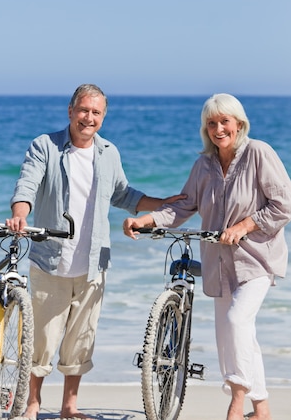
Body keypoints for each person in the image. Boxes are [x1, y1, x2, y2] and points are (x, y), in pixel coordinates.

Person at [6, 83, 185, 420]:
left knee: (81, 340)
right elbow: (27, 183)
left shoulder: (108, 152)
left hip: (93, 263)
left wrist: (161, 204)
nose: (89, 118)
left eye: (96, 112)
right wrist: (20, 214)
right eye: (83, 110)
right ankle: (32, 404)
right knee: (41, 340)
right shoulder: (45, 146)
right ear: (71, 111)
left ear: (103, 117)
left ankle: (69, 408)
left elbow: (123, 195)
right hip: (50, 261)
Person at [123, 93, 291, 420]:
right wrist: (144, 220)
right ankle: (263, 409)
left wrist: (244, 225)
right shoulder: (203, 164)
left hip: (256, 260)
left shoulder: (258, 153)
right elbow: (183, 206)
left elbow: (283, 204)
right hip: (217, 264)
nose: (218, 128)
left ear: (238, 124)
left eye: (224, 121)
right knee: (237, 335)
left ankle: (237, 400)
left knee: (236, 322)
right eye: (211, 123)